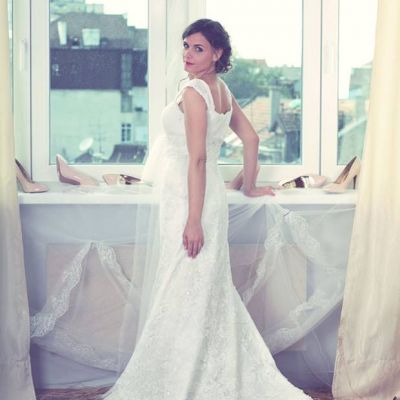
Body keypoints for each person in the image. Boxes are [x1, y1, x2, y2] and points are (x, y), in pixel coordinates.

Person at [101, 18, 312, 399]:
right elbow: (251, 138)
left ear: (217, 54)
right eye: (186, 45)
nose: (187, 54)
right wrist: (248, 186)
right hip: (204, 194)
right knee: (198, 286)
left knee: (183, 285)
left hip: (190, 200)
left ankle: (182, 375)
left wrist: (193, 221)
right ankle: (196, 367)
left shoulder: (195, 92)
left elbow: (197, 159)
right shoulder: (221, 90)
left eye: (198, 48)